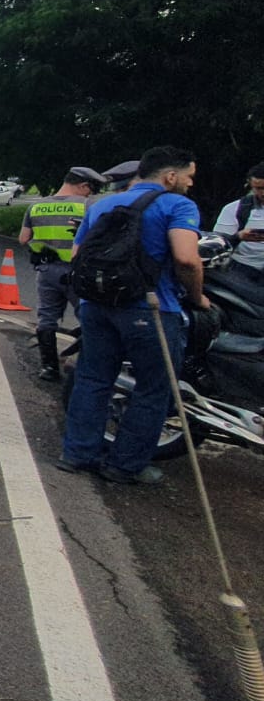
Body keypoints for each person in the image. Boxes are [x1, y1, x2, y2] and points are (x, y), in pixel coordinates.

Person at [58, 147, 208, 485]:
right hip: (151, 308)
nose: (190, 184)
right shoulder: (178, 205)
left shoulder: (103, 204)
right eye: (188, 177)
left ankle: (78, 454)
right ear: (170, 176)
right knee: (154, 390)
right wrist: (198, 298)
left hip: (96, 306)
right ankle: (124, 466)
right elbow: (186, 259)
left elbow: (77, 254)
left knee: (93, 379)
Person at [18, 166, 105, 381]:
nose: (90, 193)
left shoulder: (37, 207)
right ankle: (87, 366)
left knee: (47, 318)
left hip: (47, 271)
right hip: (79, 273)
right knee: (89, 318)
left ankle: (49, 368)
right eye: (90, 189)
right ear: (83, 185)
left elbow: (23, 239)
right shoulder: (87, 206)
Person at [211, 162, 264, 305]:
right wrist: (239, 237)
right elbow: (216, 244)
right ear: (250, 186)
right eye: (258, 188)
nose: (263, 193)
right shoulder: (235, 209)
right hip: (241, 270)